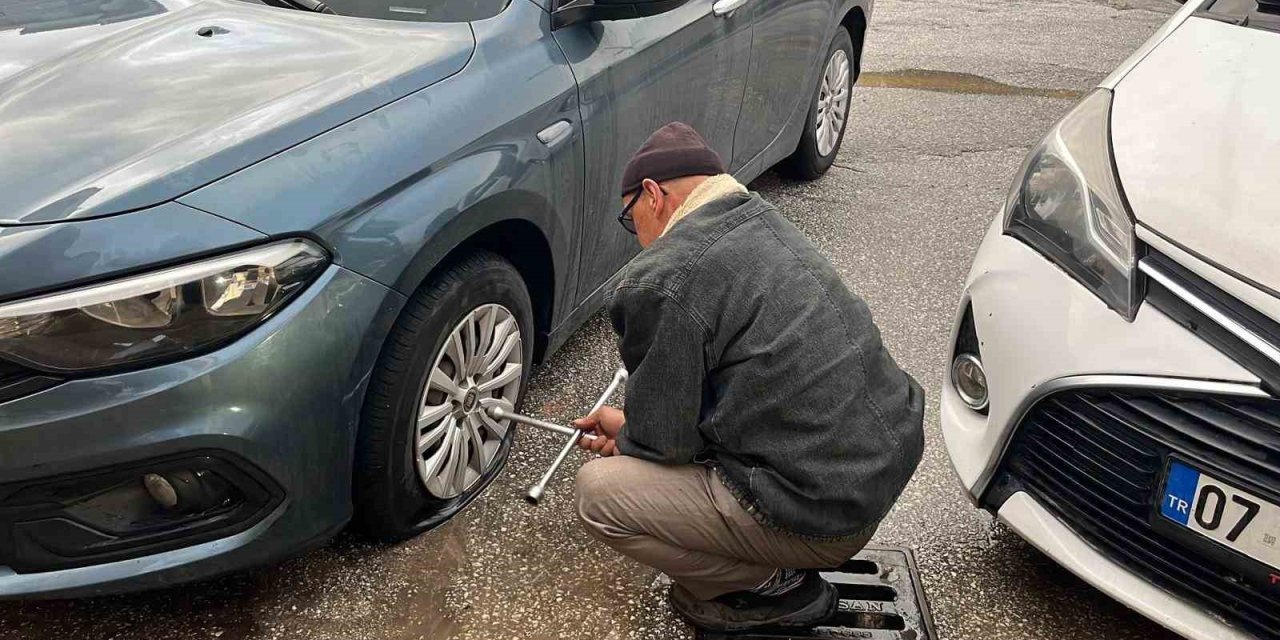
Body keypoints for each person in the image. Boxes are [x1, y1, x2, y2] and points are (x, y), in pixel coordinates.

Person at [572, 122, 925, 632]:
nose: (638, 238)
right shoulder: (759, 221)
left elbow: (663, 444)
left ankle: (771, 587)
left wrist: (630, 439)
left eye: (631, 220)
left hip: (823, 510)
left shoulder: (664, 277)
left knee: (599, 494)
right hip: (875, 469)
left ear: (653, 195)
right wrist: (631, 427)